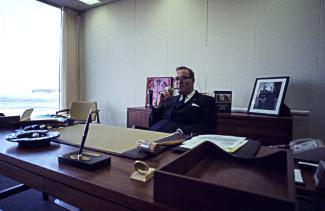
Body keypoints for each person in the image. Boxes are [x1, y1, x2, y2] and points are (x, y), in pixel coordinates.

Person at [148, 66, 216, 135]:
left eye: (184, 78)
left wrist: (182, 131)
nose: (179, 81)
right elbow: (152, 123)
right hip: (154, 134)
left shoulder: (207, 100)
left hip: (179, 139)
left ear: (193, 80)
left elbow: (208, 126)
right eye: (177, 79)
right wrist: (159, 105)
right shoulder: (169, 100)